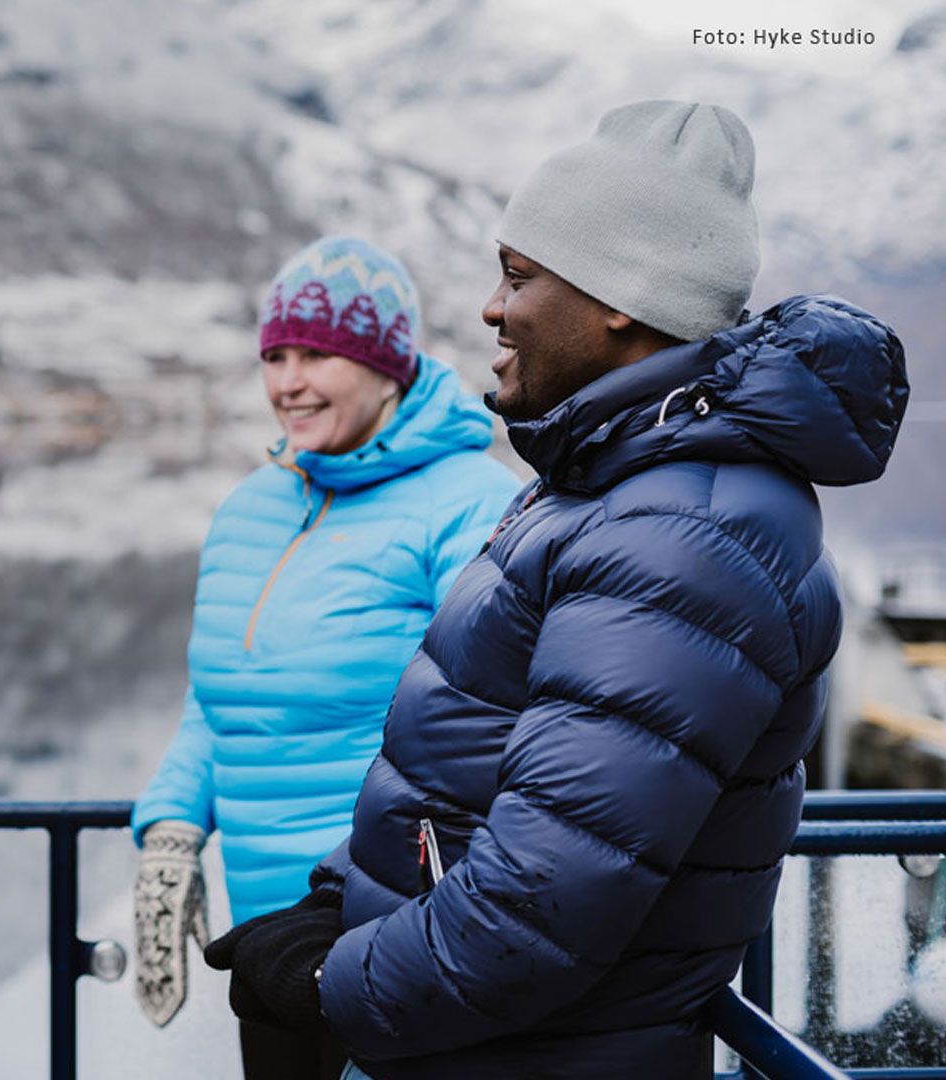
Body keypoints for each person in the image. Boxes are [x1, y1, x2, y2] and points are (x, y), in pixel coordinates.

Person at [205, 102, 908, 1078]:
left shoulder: (685, 536)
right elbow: (474, 765)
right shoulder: (614, 483)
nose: (494, 308)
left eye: (520, 275)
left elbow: (540, 899)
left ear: (619, 298)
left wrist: (329, 984)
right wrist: (344, 895)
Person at [129, 236, 520, 1078]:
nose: (287, 382)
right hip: (264, 941)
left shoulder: (470, 506)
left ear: (388, 366)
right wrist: (170, 828)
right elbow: (221, 701)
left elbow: (489, 731)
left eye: (319, 354)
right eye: (274, 354)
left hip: (395, 934)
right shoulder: (251, 508)